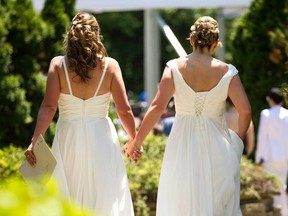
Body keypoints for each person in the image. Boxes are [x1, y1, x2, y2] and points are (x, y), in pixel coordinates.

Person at [125, 16, 251, 215]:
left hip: (181, 144)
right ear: (216, 44)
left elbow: (157, 106)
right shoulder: (228, 72)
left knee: (180, 201)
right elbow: (246, 111)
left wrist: (136, 142)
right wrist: (238, 142)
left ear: (191, 40)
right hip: (218, 146)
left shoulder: (173, 67)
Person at [24, 12, 137, 216]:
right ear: (97, 35)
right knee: (105, 193)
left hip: (69, 136)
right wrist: (134, 141)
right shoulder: (110, 66)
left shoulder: (58, 65)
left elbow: (49, 107)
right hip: (101, 137)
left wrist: (35, 140)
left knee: (69, 194)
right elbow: (124, 110)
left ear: (71, 35)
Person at [255, 87, 288, 216]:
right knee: (281, 185)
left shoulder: (266, 114)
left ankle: (276, 212)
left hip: (270, 157)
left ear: (271, 100)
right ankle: (283, 212)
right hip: (284, 156)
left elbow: (262, 137)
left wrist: (258, 158)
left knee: (271, 188)